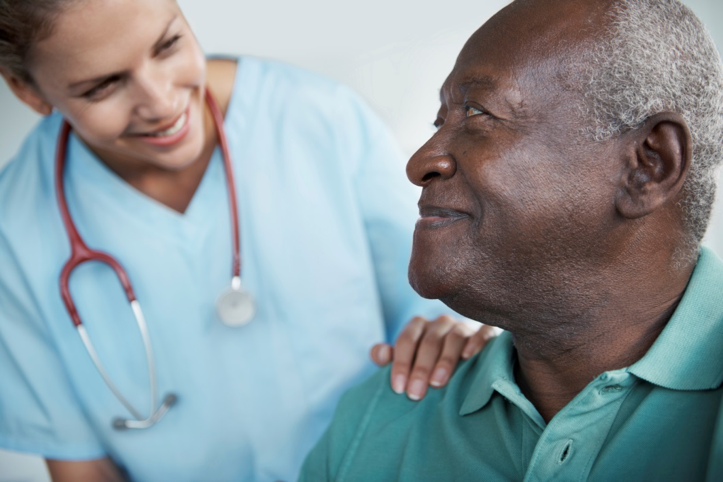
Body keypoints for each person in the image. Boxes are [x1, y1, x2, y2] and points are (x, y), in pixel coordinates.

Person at [0, 1, 497, 480]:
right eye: (103, 86)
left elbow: (435, 325)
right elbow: (81, 466)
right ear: (26, 90)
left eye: (168, 43)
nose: (161, 101)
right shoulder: (13, 230)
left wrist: (446, 339)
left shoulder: (317, 120)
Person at [300, 0, 723, 480]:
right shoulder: (383, 418)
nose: (421, 162)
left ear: (648, 165)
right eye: (440, 122)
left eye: (478, 113)